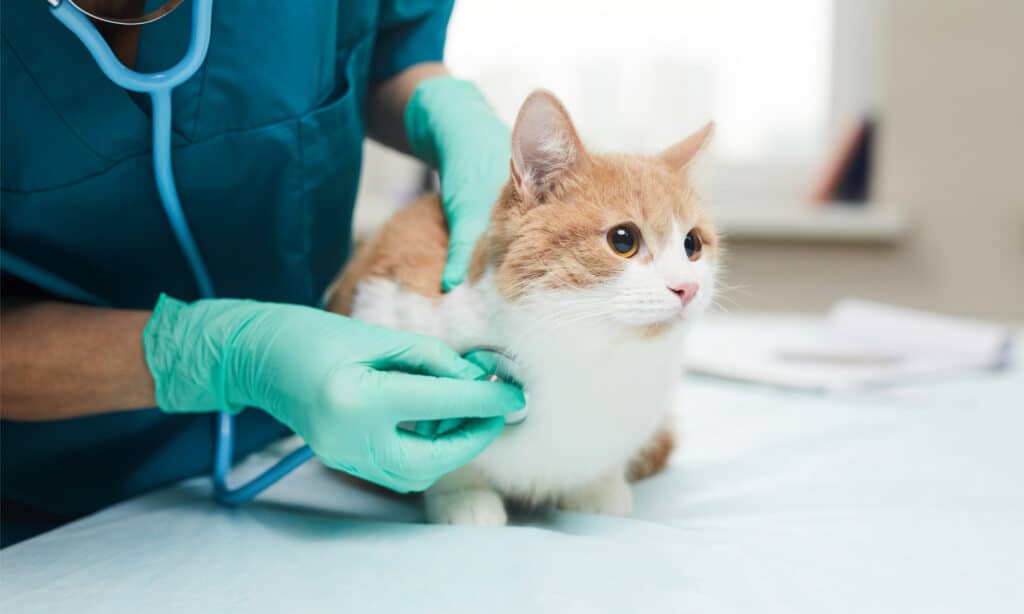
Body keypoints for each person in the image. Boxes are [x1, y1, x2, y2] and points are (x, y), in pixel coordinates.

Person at [0, 0, 525, 546]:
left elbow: (385, 50)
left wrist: (441, 105)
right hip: (44, 508)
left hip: (304, 457)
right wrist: (222, 356)